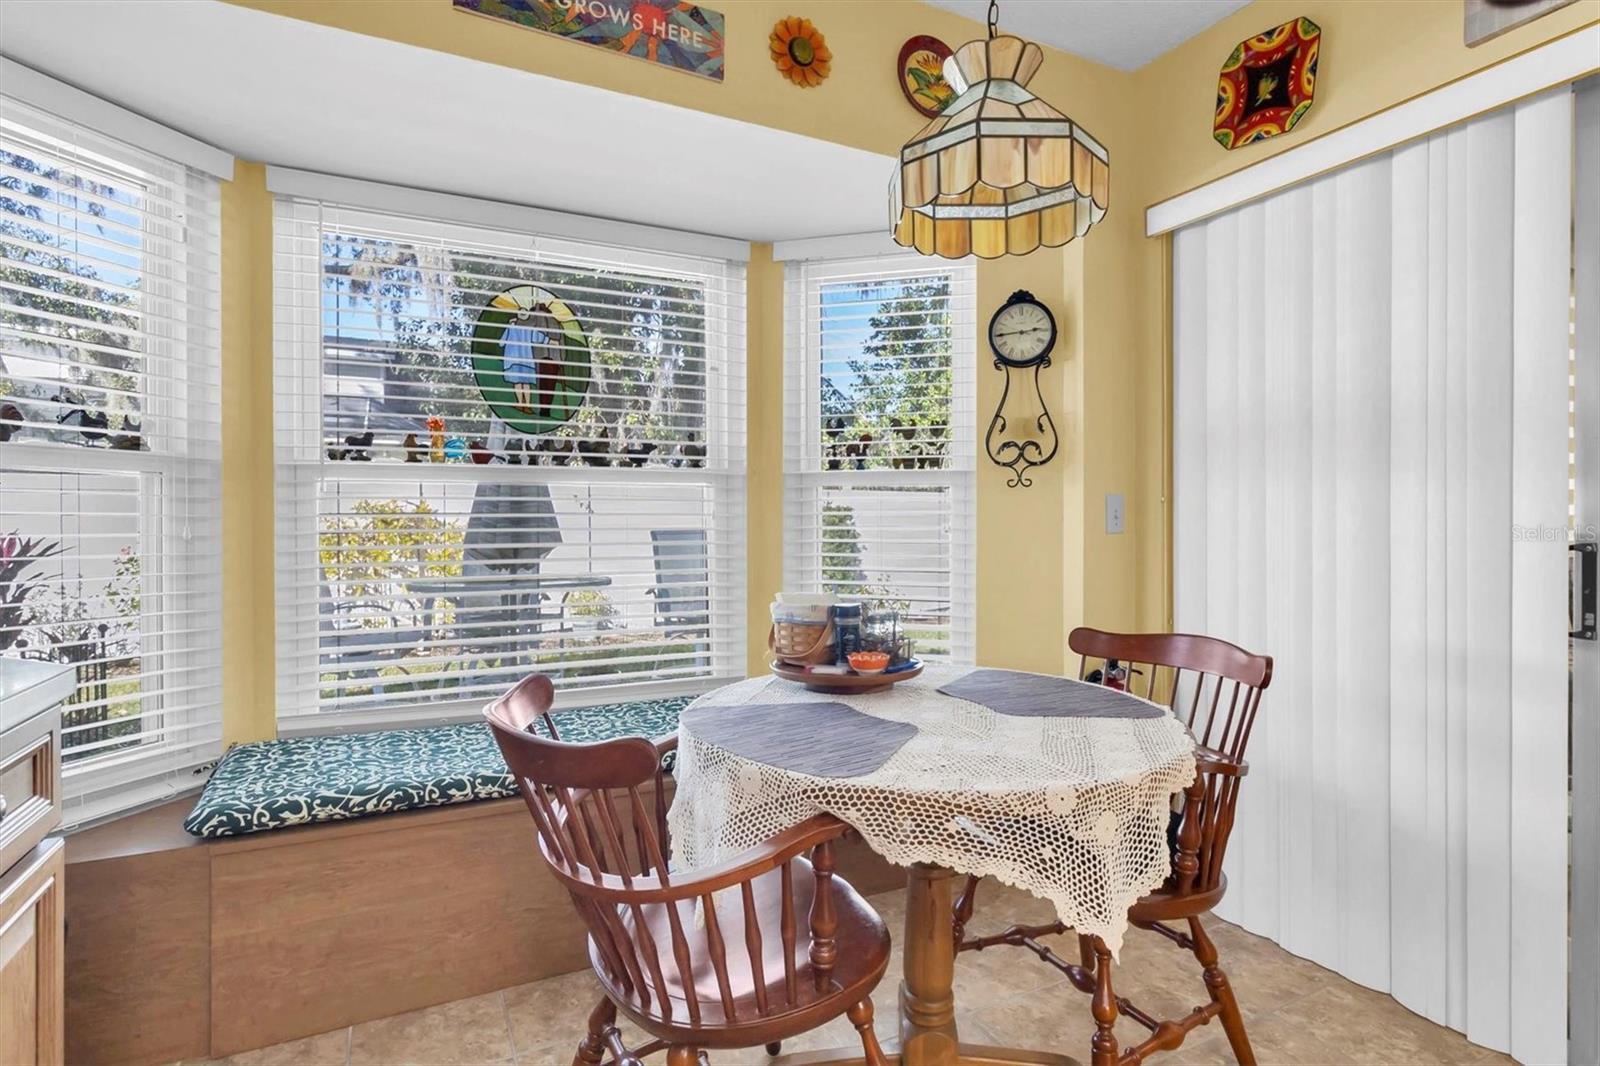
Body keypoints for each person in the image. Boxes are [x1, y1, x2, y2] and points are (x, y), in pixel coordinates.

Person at [500, 303, 565, 417]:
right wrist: (561, 359)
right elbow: (540, 337)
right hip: (548, 359)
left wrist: (512, 324)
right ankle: (539, 409)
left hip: (534, 358)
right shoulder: (556, 323)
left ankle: (523, 404)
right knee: (543, 385)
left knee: (521, 382)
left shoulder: (531, 321)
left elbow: (501, 342)